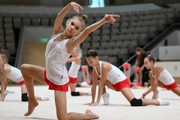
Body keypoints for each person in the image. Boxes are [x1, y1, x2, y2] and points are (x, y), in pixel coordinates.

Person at [20, 2, 120, 120]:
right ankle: (32, 100)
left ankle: (88, 115)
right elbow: (59, 16)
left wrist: (103, 20)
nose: (72, 28)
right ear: (68, 23)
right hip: (49, 74)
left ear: (77, 33)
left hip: (58, 80)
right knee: (24, 69)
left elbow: (87, 31)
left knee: (63, 118)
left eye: (76, 28)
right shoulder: (57, 32)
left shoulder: (70, 44)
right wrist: (69, 5)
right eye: (72, 24)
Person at [85, 48, 170, 107]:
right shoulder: (94, 70)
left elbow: (102, 84)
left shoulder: (104, 66)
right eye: (88, 62)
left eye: (91, 62)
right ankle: (105, 95)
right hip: (113, 84)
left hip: (122, 81)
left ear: (97, 58)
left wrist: (97, 101)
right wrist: (92, 101)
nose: (90, 64)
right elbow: (94, 86)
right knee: (98, 82)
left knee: (134, 103)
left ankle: (157, 101)